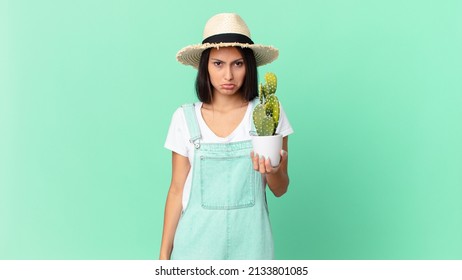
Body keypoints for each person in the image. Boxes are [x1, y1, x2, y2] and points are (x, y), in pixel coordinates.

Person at [160, 13, 293, 260]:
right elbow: (176, 190)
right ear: (205, 67)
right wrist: (163, 258)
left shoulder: (267, 113)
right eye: (218, 63)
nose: (228, 76)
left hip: (252, 248)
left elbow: (281, 188)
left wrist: (272, 170)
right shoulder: (184, 118)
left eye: (238, 64)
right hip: (194, 250)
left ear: (249, 66)